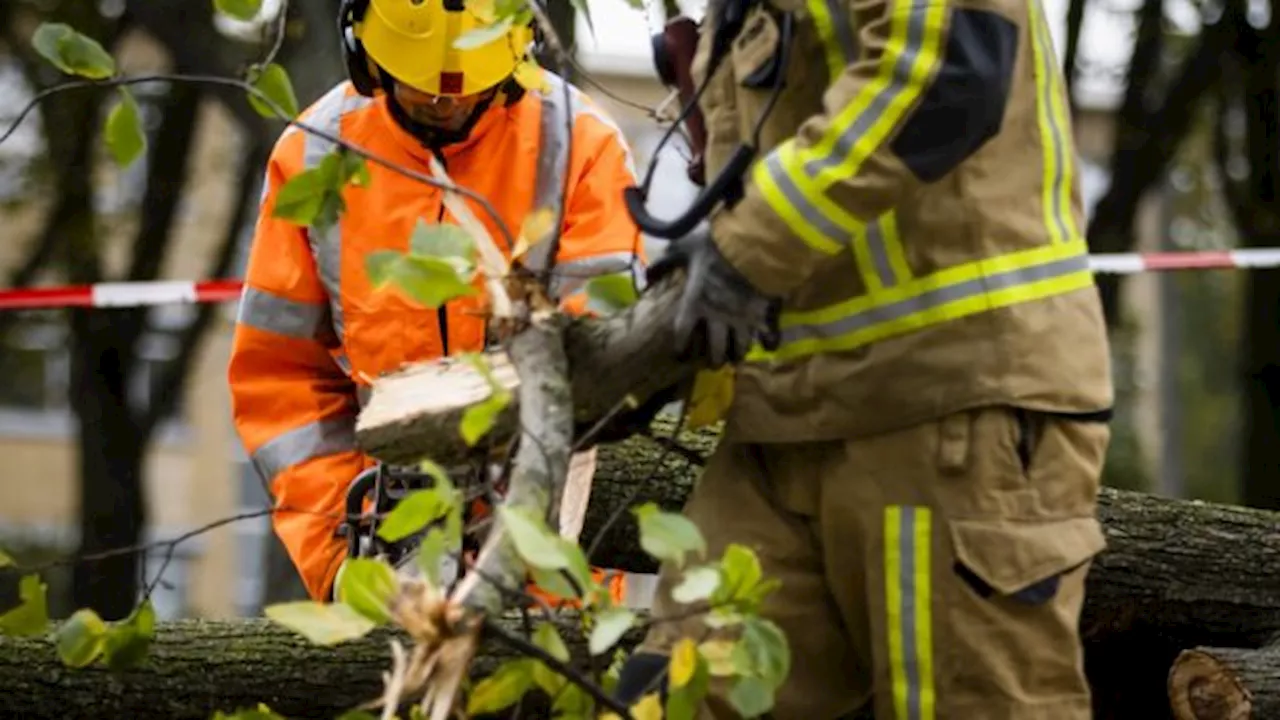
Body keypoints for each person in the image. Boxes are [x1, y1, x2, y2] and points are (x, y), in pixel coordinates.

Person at [614, 0, 1115, 717]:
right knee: (675, 697)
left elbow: (946, 71)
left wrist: (745, 254)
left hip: (953, 404)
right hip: (782, 420)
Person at [228, 0, 646, 606]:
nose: (446, 103)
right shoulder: (315, 158)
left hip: (551, 570)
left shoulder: (580, 145)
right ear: (365, 53)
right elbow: (282, 385)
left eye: (467, 89)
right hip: (390, 558)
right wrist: (338, 559)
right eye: (424, 87)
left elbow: (606, 363)